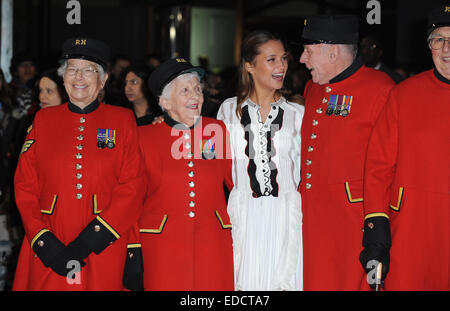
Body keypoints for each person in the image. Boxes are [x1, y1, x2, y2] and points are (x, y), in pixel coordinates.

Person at [12, 37, 146, 290]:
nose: (79, 77)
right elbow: (24, 184)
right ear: (63, 77)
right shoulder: (43, 120)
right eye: (72, 69)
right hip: (51, 240)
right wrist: (42, 240)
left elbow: (133, 185)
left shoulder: (122, 120)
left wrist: (90, 242)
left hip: (103, 243)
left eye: (88, 70)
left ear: (103, 79)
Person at [298, 15, 395, 290]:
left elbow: (389, 165)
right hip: (311, 220)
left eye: (308, 50)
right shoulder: (312, 88)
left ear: (332, 50)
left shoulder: (381, 89)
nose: (302, 59)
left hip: (352, 224)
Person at [360, 4, 450, 290]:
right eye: (439, 39)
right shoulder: (404, 95)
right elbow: (377, 169)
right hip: (411, 234)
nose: (447, 48)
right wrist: (377, 235)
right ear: (429, 46)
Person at [217, 30, 304, 291]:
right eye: (272, 59)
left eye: (284, 58)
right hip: (244, 215)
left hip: (287, 216)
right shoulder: (227, 110)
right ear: (249, 66)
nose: (281, 66)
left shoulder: (298, 112)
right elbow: (206, 159)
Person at [137, 58, 234, 290]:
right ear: (165, 101)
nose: (196, 96)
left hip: (213, 244)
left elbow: (237, 183)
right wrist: (132, 253)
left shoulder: (217, 130)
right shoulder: (143, 138)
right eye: (185, 91)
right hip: (161, 247)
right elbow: (130, 200)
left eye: (198, 89)